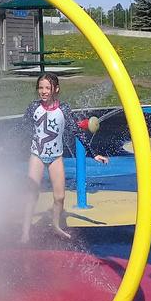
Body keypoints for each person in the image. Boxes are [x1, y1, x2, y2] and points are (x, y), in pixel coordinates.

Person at [20, 73, 108, 242]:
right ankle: (25, 232)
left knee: (60, 197)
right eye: (40, 87)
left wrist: (93, 153)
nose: (43, 91)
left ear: (56, 89)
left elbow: (76, 131)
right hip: (37, 155)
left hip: (55, 157)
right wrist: (5, 146)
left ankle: (56, 226)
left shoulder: (64, 109)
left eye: (48, 88)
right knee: (32, 194)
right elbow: (21, 128)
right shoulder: (33, 107)